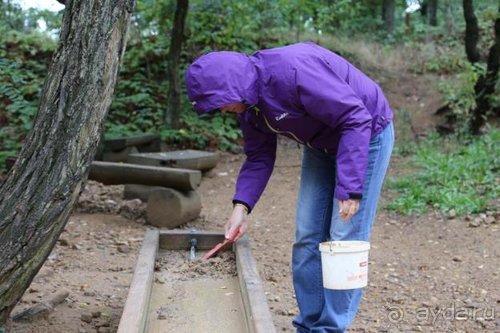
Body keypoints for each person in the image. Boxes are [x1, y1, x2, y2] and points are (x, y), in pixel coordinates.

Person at [185, 42, 394, 333]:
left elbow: (355, 118)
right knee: (308, 235)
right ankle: (309, 325)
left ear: (231, 85)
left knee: (343, 238)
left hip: (366, 134)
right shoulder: (249, 108)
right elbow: (259, 157)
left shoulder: (294, 72)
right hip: (322, 145)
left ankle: (331, 328)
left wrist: (349, 188)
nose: (222, 109)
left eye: (219, 102)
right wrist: (240, 207)